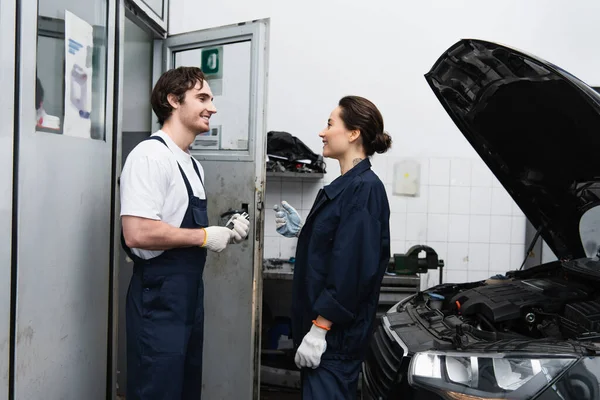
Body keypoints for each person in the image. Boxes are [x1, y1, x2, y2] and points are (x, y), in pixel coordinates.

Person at [120, 66, 250, 400]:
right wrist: (205, 236)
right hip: (158, 298)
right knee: (157, 390)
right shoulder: (150, 157)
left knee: (185, 388)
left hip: (189, 296)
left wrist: (227, 230)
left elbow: (180, 222)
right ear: (173, 100)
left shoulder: (193, 164)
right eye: (203, 97)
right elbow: (137, 233)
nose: (213, 107)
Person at [274, 95, 392, 399]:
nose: (322, 132)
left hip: (333, 342)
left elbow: (352, 270)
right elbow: (338, 248)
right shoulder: (347, 187)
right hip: (326, 338)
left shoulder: (364, 189)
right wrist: (305, 232)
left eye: (330, 124)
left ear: (353, 133)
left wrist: (320, 330)